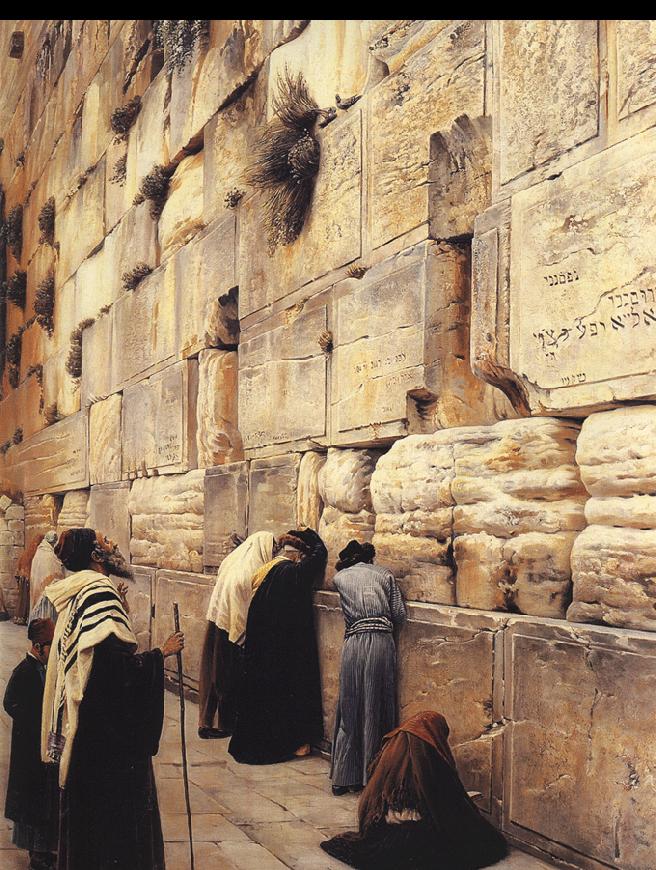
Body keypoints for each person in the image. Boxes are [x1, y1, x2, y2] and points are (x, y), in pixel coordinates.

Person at [41, 527, 184, 870]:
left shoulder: (83, 591)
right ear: (96, 555)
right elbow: (117, 674)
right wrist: (159, 654)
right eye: (105, 541)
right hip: (108, 742)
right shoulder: (99, 591)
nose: (113, 543)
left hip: (90, 732)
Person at [321, 711, 508, 869]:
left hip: (378, 829)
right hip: (408, 833)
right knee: (481, 841)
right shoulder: (427, 757)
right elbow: (439, 806)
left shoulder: (391, 747)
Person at [228, 527, 327, 765]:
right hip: (280, 653)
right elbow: (319, 555)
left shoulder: (266, 573)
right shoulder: (291, 573)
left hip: (261, 651)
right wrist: (310, 534)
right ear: (295, 556)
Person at [330, 539, 406, 796]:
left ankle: (343, 777)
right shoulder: (384, 574)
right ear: (370, 558)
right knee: (377, 705)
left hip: (353, 644)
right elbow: (399, 614)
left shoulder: (340, 579)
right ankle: (372, 775)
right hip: (382, 644)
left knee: (349, 706)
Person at [199, 531, 278, 739]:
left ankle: (207, 721)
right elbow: (243, 610)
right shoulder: (250, 570)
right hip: (230, 627)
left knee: (212, 673)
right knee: (224, 677)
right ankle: (221, 725)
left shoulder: (233, 561)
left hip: (217, 620)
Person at [4, 618, 59, 870]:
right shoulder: (24, 671)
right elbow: (9, 702)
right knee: (32, 805)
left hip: (40, 746)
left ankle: (44, 850)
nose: (53, 652)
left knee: (42, 802)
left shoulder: (44, 670)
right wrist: (29, 720)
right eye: (50, 646)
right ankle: (36, 854)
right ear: (38, 646)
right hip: (28, 748)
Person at [29, 531, 64, 612]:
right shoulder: (50, 554)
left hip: (37, 585)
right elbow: (56, 571)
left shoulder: (39, 552)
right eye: (53, 542)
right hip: (46, 587)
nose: (54, 544)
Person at [14, 535, 44, 625]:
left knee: (23, 599)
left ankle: (20, 618)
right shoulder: (34, 553)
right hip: (28, 579)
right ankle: (26, 618)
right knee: (27, 599)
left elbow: (19, 566)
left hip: (23, 578)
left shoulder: (26, 552)